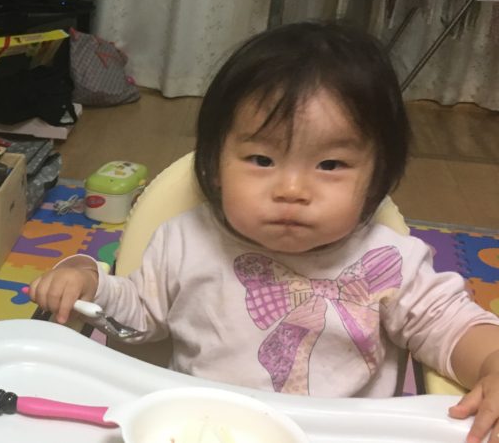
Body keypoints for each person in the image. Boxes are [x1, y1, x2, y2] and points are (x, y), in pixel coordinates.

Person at [28, 22, 499, 442]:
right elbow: (139, 317)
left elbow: (455, 328)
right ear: (214, 166)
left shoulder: (389, 263)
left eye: (330, 164)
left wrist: (492, 364)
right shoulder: (186, 241)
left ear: (378, 176)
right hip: (206, 428)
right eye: (261, 159)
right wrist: (88, 281)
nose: (292, 189)